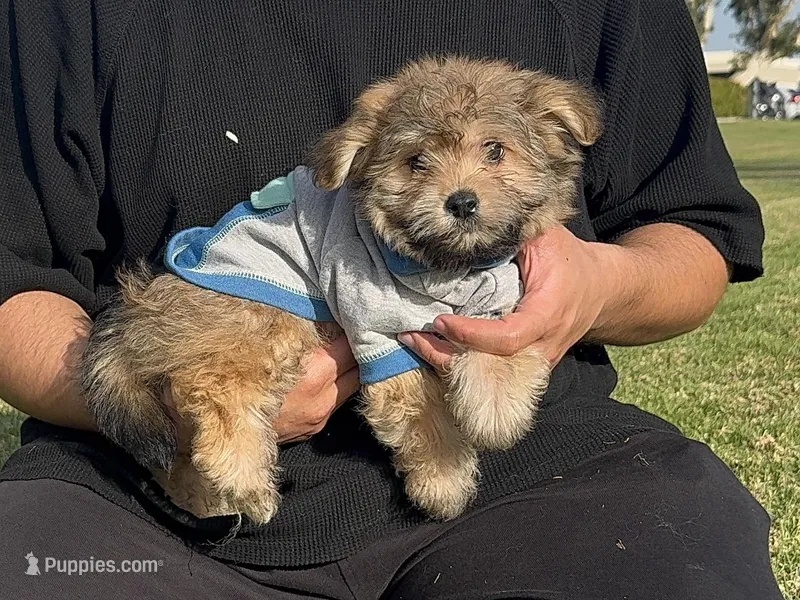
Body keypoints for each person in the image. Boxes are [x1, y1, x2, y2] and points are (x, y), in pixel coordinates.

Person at [0, 0, 785, 598]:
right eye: (420, 164)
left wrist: (591, 287)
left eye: (493, 153)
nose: (461, 186)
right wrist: (164, 399)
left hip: (544, 471)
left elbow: (696, 232)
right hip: (140, 490)